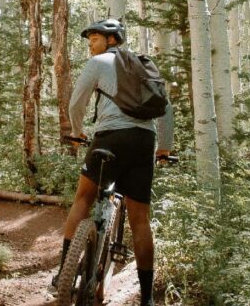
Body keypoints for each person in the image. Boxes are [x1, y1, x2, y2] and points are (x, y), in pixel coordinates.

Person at [51, 19, 174, 306]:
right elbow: (165, 110)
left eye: (94, 38)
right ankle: (147, 300)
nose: (91, 44)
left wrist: (78, 131)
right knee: (140, 220)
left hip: (110, 138)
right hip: (144, 142)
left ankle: (61, 273)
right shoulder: (145, 66)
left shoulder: (99, 62)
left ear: (112, 40)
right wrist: (164, 148)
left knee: (83, 198)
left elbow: (76, 101)